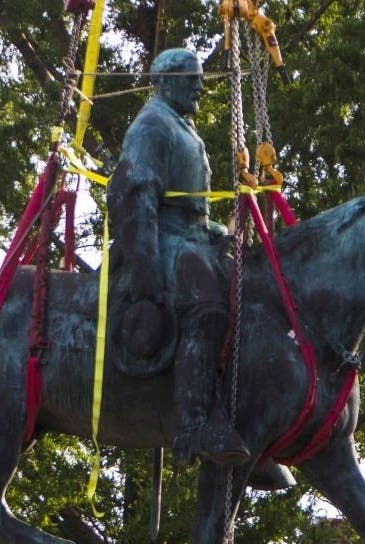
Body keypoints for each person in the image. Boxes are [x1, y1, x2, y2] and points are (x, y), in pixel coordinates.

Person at [106, 48, 249, 466]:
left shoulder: (181, 126)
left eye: (200, 77)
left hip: (190, 236)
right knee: (207, 306)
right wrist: (145, 264)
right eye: (192, 77)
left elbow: (189, 204)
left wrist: (211, 229)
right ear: (166, 81)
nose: (200, 85)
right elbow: (136, 195)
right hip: (161, 239)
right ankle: (194, 422)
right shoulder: (152, 124)